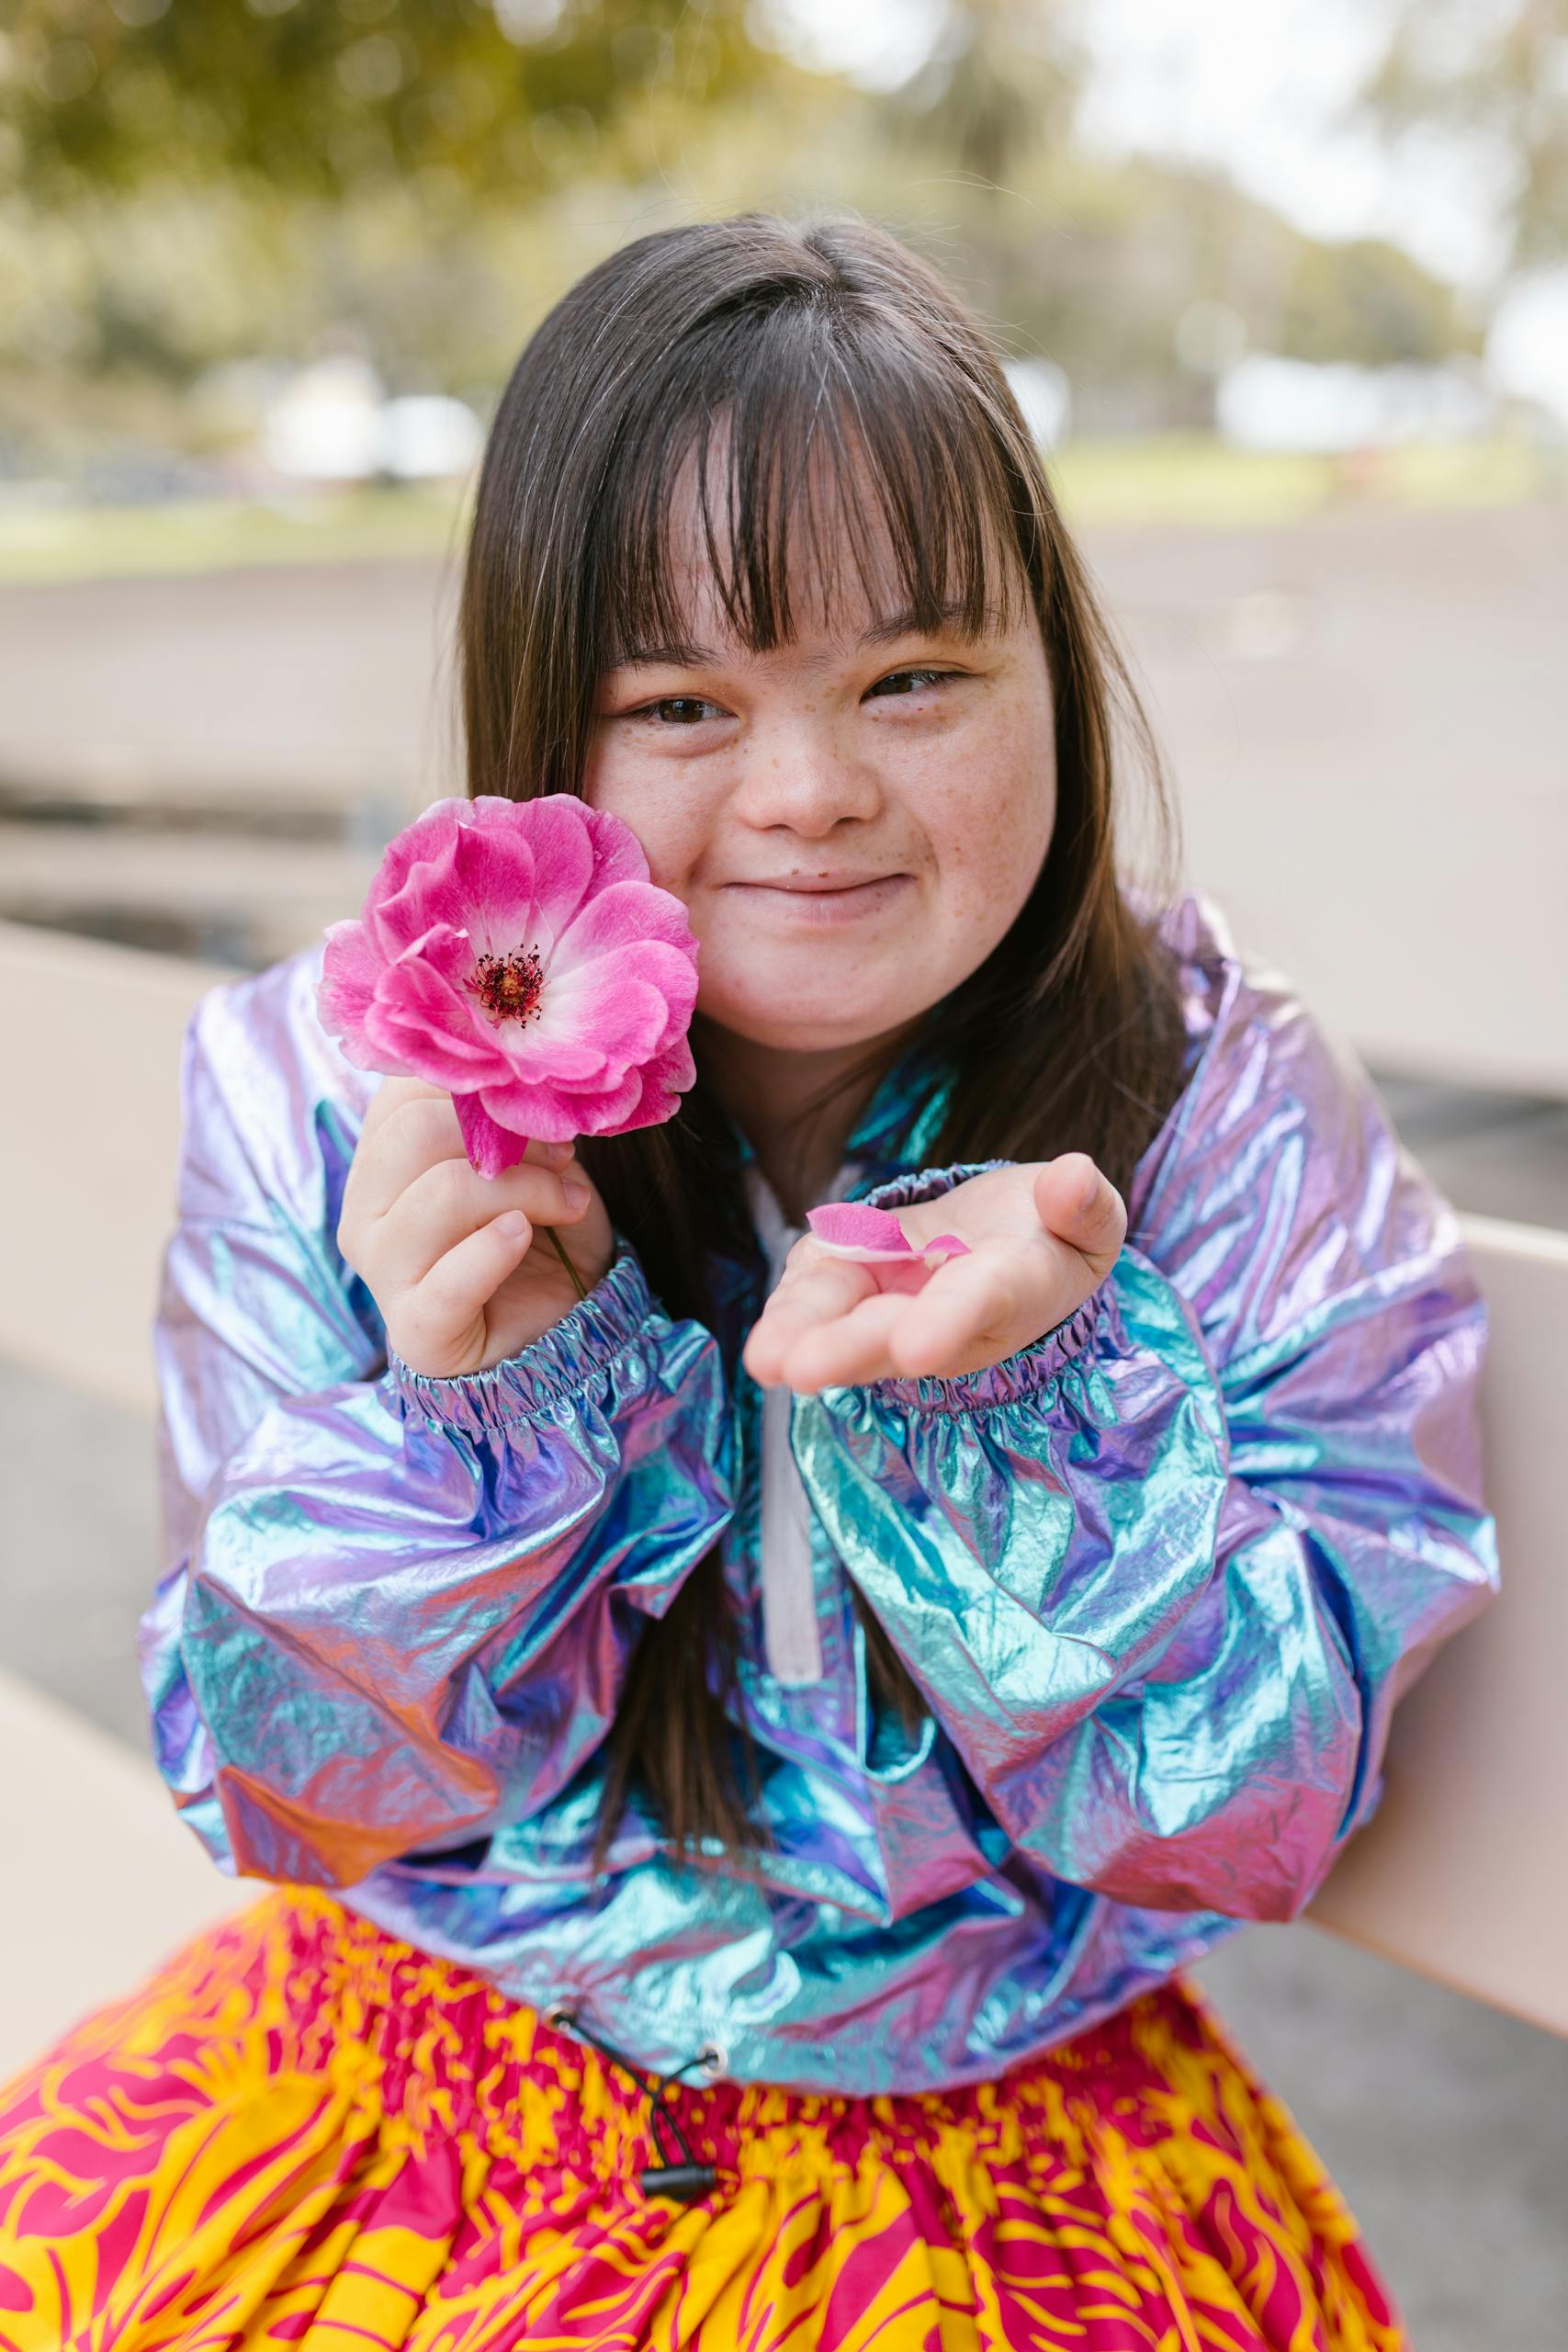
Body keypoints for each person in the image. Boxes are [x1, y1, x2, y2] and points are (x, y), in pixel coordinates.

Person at [0, 212, 1495, 2351]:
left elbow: (1243, 1814)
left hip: (1000, 2159)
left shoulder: (1207, 1094)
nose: (806, 793)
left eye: (910, 674)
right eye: (679, 700)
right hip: (403, 2110)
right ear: (540, 726)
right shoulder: (343, 1092)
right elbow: (274, 1779)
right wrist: (485, 1424)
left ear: (1050, 675)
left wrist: (1018, 1421)